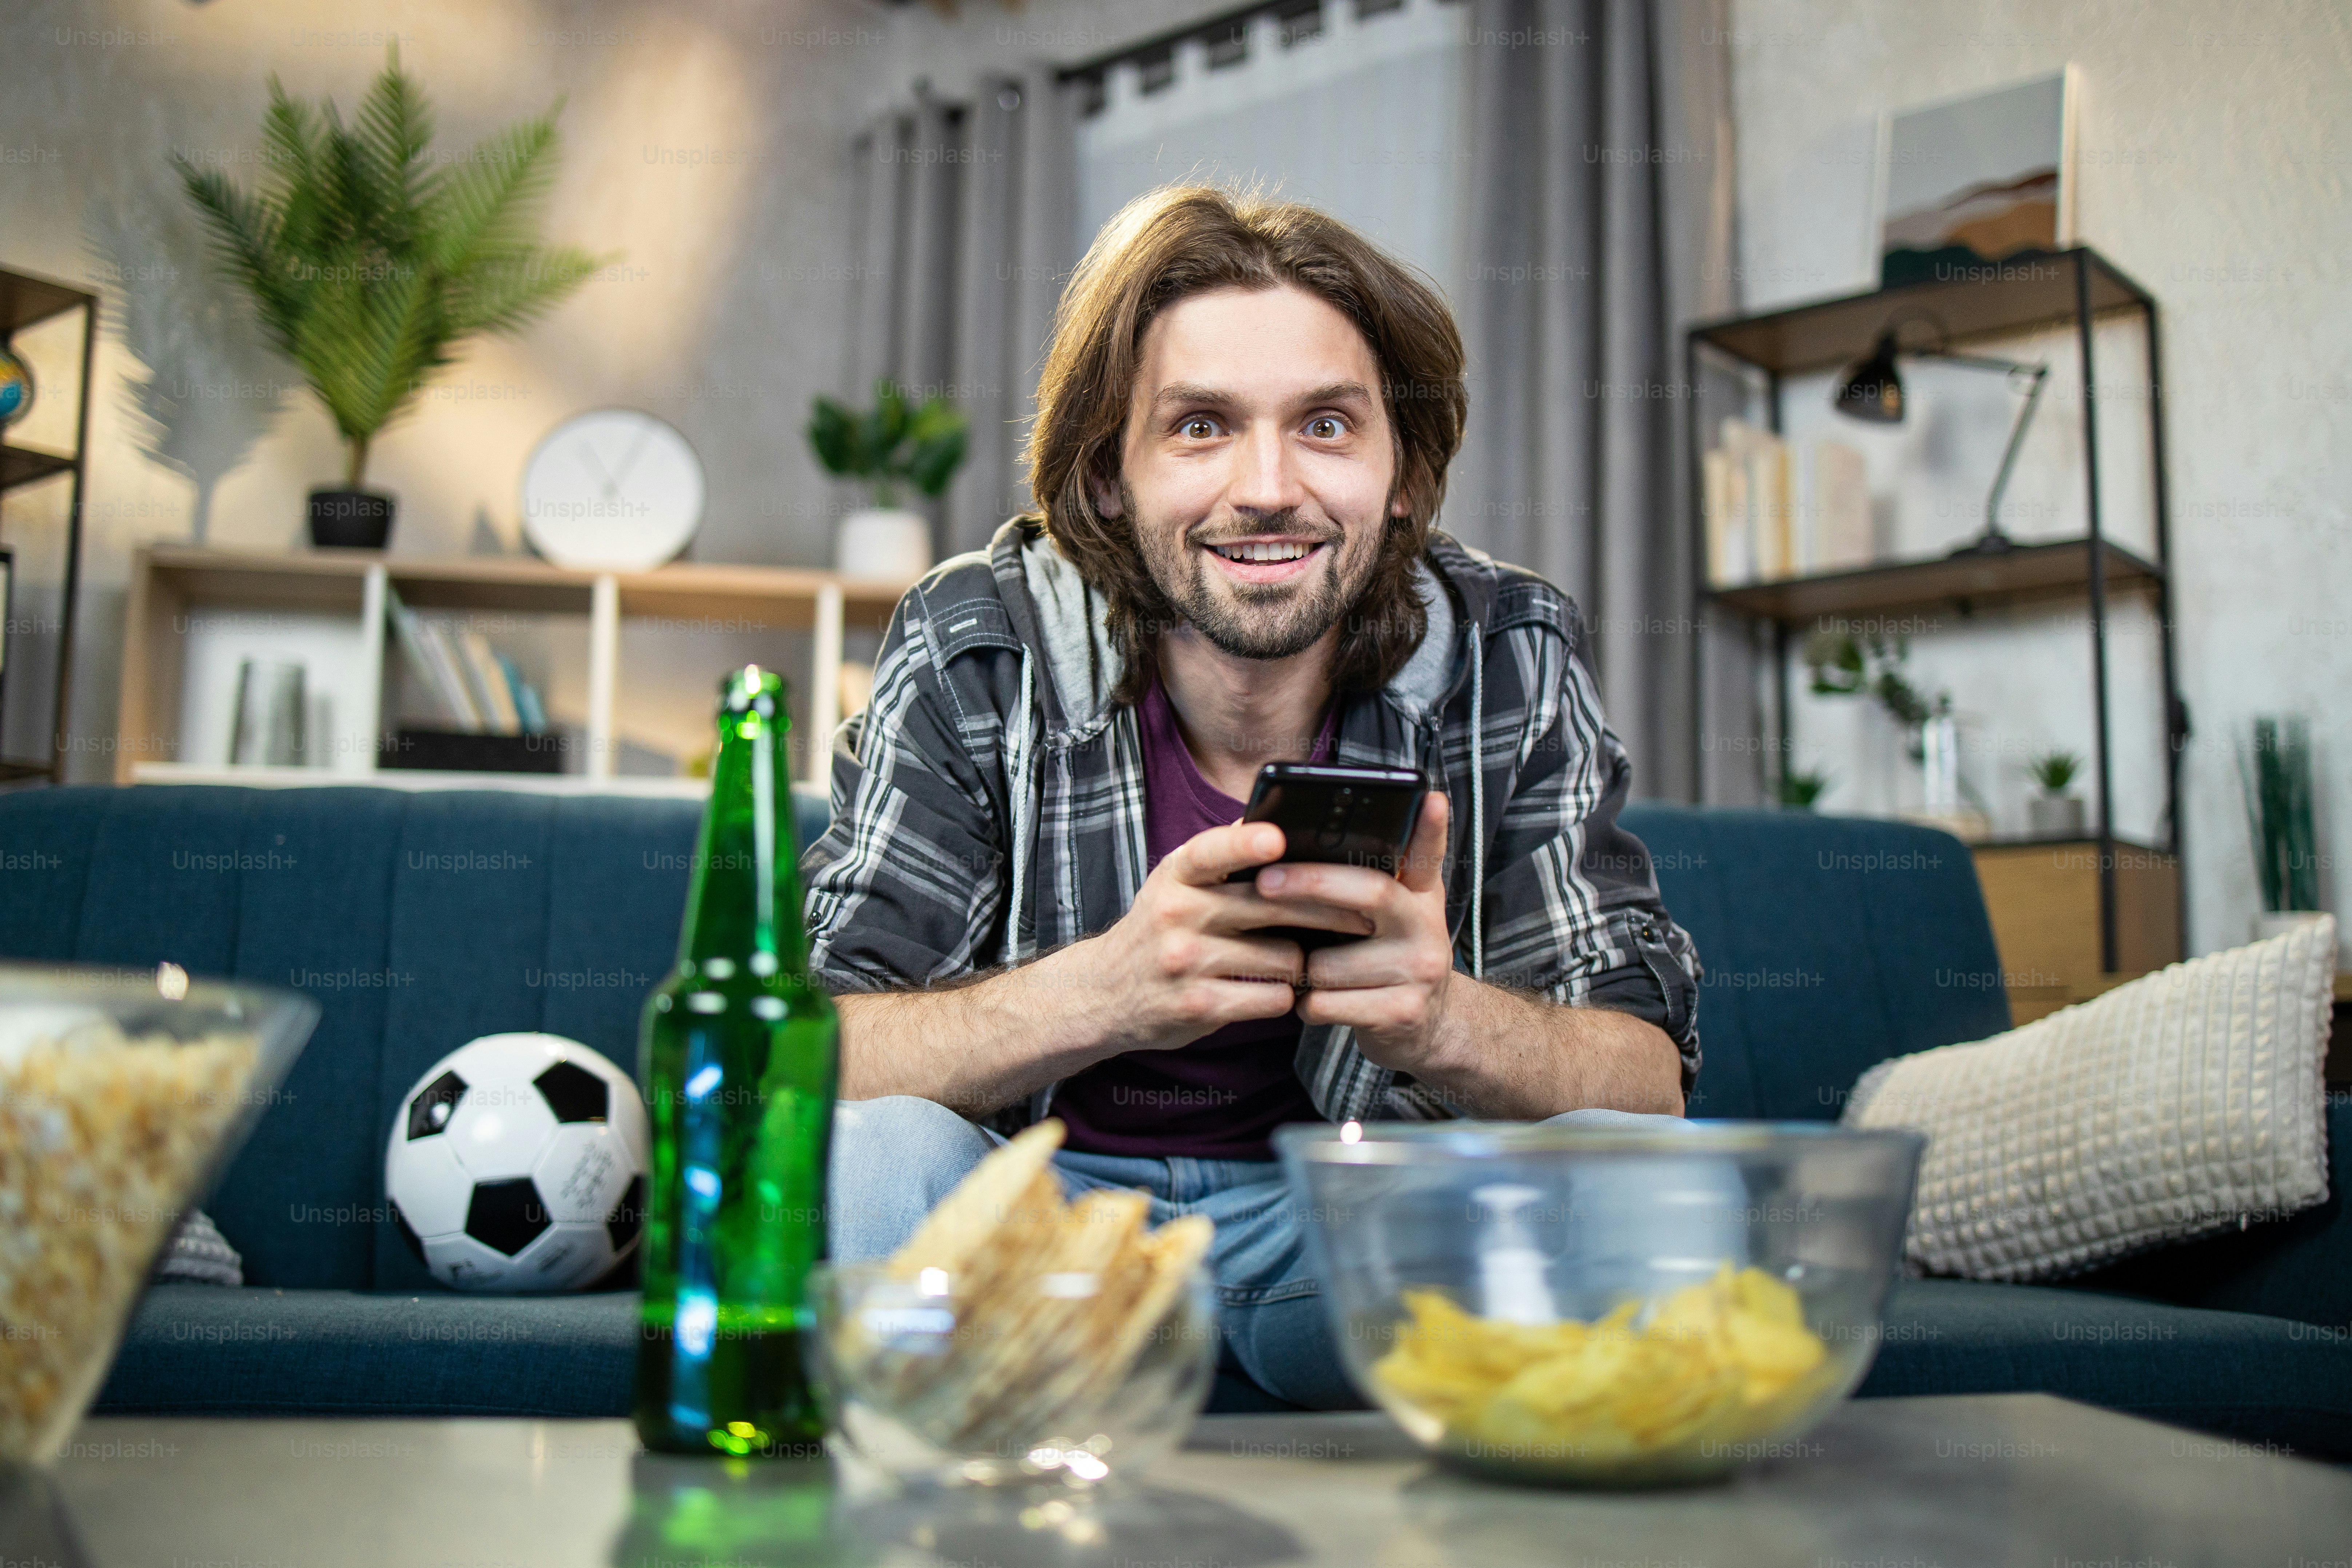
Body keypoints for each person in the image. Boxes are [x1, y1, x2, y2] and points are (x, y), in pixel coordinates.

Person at [803, 184, 1706, 1409]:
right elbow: (797, 1054)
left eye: (1326, 425)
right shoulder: (978, 644)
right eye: (1200, 427)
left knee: (1630, 1167)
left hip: (1356, 1228)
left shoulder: (1509, 649)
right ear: (1109, 475)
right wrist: (1101, 994)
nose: (1269, 487)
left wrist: (1442, 1021)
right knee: (869, 1152)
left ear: (1403, 473)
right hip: (1041, 1242)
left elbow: (1648, 1082)